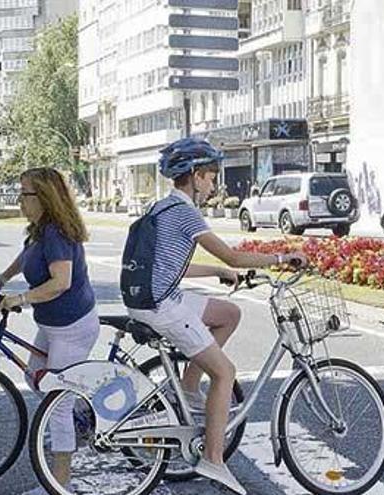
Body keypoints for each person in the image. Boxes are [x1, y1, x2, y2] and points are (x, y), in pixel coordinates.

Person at [124, 138, 307, 495]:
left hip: (153, 295)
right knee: (225, 373)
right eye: (209, 177)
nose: (213, 185)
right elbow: (234, 257)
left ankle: (189, 390)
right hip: (161, 305)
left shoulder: (161, 208)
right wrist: (284, 258)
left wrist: (214, 273)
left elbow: (167, 266)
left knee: (228, 313)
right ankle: (212, 458)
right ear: (193, 176)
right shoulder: (185, 212)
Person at [0, 167, 99, 487]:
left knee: (57, 400)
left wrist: (20, 298)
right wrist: (2, 278)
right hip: (52, 324)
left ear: (44, 197)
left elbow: (61, 282)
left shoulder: (57, 232)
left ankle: (59, 484)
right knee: (34, 376)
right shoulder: (38, 230)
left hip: (73, 326)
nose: (19, 200)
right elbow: (26, 257)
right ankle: (82, 413)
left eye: (25, 194)